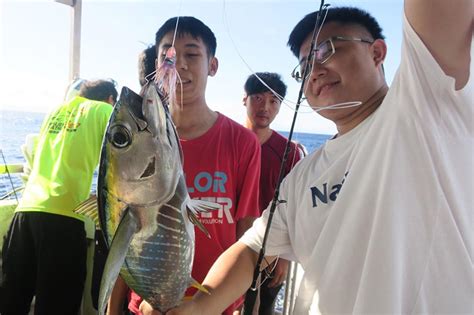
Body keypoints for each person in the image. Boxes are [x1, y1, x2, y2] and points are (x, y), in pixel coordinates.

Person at [140, 1, 473, 314]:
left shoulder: (425, 107)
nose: (314, 71)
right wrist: (198, 307)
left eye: (327, 49)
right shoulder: (303, 177)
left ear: (377, 52)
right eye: (303, 66)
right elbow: (253, 248)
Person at [108, 16, 261, 315]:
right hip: (146, 305)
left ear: (212, 66)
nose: (179, 64)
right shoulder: (139, 148)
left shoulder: (242, 142)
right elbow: (122, 234)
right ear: (157, 64)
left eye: (192, 54)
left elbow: (248, 235)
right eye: (168, 54)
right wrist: (113, 309)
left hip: (218, 307)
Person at [0, 79, 118, 314]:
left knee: (11, 302)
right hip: (64, 218)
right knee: (57, 305)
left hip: (24, 214)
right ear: (109, 99)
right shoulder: (105, 111)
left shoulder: (55, 111)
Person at [241, 72, 302, 315]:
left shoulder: (290, 153)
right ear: (244, 99)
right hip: (230, 246)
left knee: (263, 308)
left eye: (274, 101)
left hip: (271, 249)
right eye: (257, 98)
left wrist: (285, 256)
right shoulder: (229, 141)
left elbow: (294, 207)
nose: (265, 107)